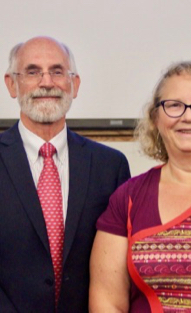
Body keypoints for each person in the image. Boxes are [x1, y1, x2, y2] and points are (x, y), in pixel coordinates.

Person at [89, 61, 191, 312]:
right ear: (156, 119)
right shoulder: (128, 198)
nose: (188, 116)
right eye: (173, 105)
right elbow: (107, 302)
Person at [0, 36, 130, 313]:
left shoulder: (110, 166)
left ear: (75, 84)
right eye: (33, 72)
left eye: (57, 71)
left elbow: (119, 268)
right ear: (12, 84)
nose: (46, 82)